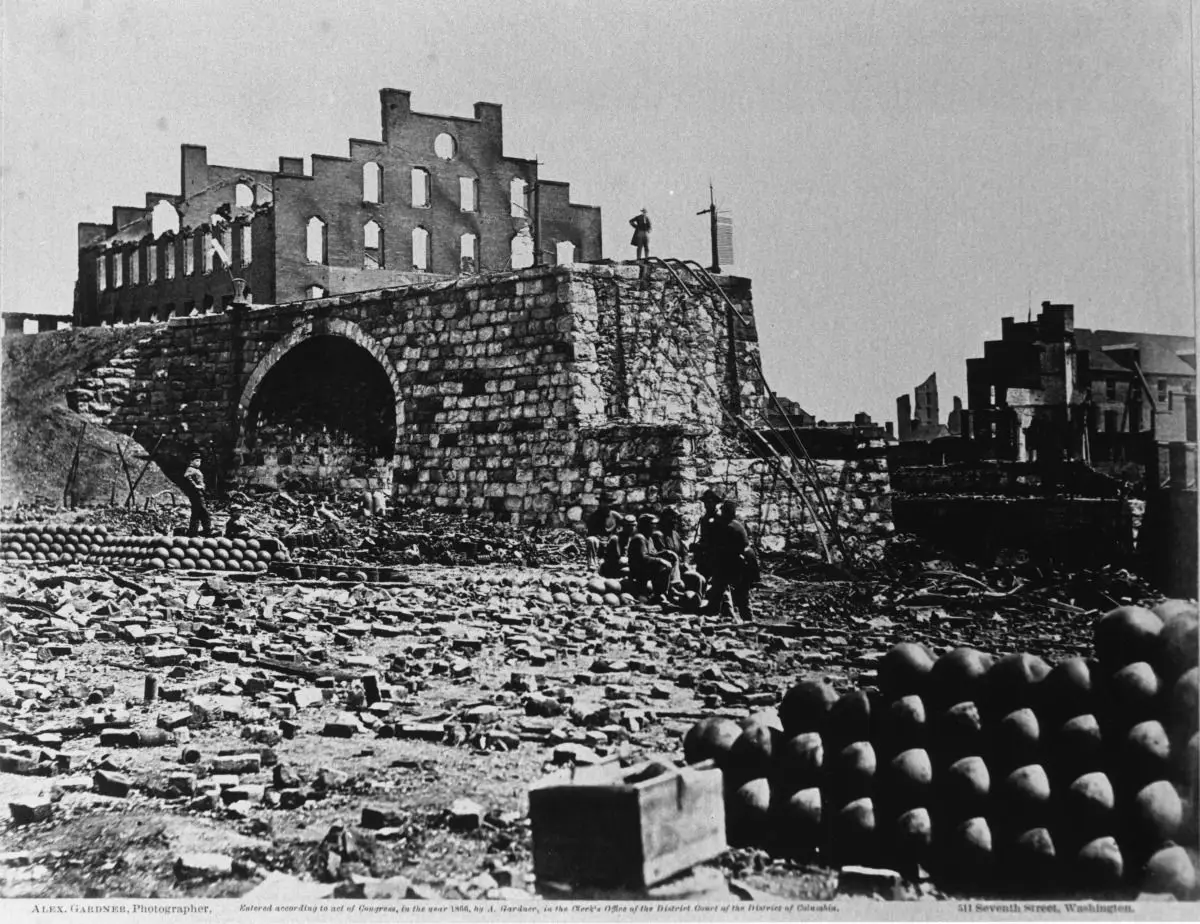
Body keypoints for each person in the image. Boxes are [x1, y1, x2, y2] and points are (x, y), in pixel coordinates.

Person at [704, 499, 756, 621]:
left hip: (734, 562)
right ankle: (746, 618)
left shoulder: (727, 526)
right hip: (742, 561)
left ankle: (715, 614)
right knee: (741, 594)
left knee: (720, 586)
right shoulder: (737, 524)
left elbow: (720, 547)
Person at [655, 506, 706, 599]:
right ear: (665, 518)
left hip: (681, 569)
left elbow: (684, 552)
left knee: (700, 578)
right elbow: (663, 555)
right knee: (683, 585)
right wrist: (680, 564)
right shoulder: (658, 535)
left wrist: (685, 563)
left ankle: (697, 602)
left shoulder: (675, 534)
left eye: (676, 518)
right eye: (673, 518)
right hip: (669, 574)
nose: (675, 521)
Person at [628, 513, 677, 599]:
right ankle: (659, 594)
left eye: (655, 524)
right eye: (652, 524)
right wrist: (661, 560)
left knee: (669, 558)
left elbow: (652, 554)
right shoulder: (639, 538)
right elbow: (643, 558)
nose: (655, 527)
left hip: (646, 567)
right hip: (638, 571)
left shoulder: (649, 538)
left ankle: (670, 588)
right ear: (645, 526)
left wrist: (664, 552)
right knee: (662, 566)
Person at [690, 488, 723, 580]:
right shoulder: (704, 518)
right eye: (705, 502)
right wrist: (697, 545)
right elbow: (704, 537)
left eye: (709, 502)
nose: (707, 505)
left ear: (715, 503)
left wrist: (703, 546)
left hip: (716, 555)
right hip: (705, 555)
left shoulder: (719, 518)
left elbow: (718, 539)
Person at [585, 493, 619, 571]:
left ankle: (614, 563)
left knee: (615, 538)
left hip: (610, 540)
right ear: (600, 503)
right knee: (591, 540)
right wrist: (599, 538)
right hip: (599, 540)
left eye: (608, 503)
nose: (606, 505)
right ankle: (592, 564)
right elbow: (590, 532)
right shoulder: (594, 516)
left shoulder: (614, 515)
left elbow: (625, 523)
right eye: (604, 502)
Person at [181, 456, 213, 537]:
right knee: (204, 512)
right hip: (196, 494)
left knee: (196, 513)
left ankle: (193, 532)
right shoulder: (190, 469)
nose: (199, 463)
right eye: (197, 461)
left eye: (200, 461)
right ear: (191, 461)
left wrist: (202, 487)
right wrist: (195, 485)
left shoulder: (196, 470)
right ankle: (207, 530)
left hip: (199, 493)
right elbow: (187, 476)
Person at [600, 514, 637, 579]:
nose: (632, 528)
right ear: (624, 526)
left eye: (633, 526)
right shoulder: (615, 538)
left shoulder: (633, 537)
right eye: (629, 526)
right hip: (614, 566)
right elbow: (614, 559)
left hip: (625, 563)